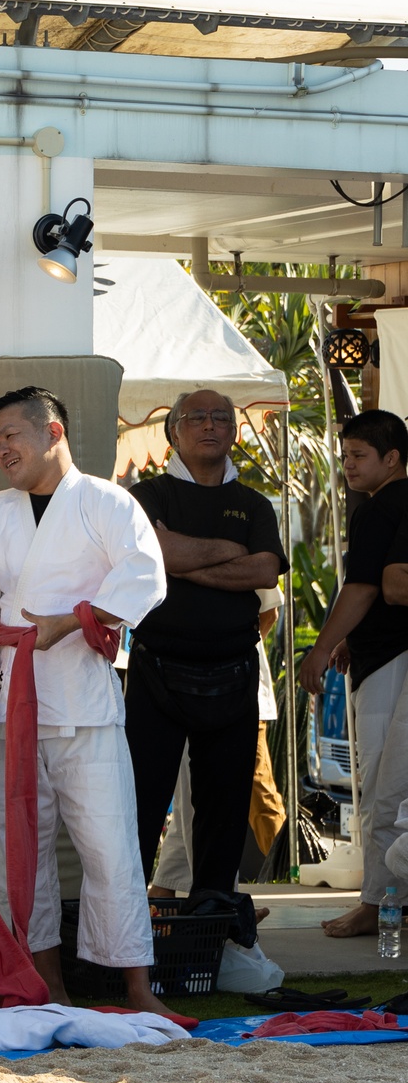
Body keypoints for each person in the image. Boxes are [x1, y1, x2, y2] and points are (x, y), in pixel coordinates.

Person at [0, 386, 168, 1012]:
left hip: (83, 702)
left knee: (111, 846)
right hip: (11, 702)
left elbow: (144, 573)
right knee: (18, 851)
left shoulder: (105, 501)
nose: (1, 449)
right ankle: (44, 985)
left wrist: (71, 621)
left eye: (11, 435)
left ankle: (137, 989)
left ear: (53, 432)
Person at [124, 389, 286, 897]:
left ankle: (213, 932)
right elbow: (157, 551)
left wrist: (185, 564)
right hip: (155, 669)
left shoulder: (253, 503)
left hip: (234, 672)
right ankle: (122, 932)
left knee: (224, 808)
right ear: (175, 431)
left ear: (235, 431)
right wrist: (226, 553)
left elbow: (265, 568)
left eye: (221, 417)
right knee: (142, 804)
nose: (210, 425)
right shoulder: (147, 495)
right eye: (197, 417)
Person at [300, 409, 408, 937]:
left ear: (392, 458)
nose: (348, 466)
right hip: (379, 652)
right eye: (344, 456)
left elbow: (370, 587)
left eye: (358, 456)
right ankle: (382, 902)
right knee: (386, 790)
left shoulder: (387, 502)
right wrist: (345, 637)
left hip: (392, 660)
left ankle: (380, 904)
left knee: (385, 792)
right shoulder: (380, 504)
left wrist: (319, 650)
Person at [150, 587, 285, 913]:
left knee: (239, 795)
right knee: (194, 802)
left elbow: (269, 610)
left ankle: (224, 897)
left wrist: (235, 648)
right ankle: (174, 896)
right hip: (186, 687)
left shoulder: (245, 547)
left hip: (234, 691)